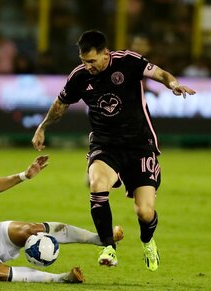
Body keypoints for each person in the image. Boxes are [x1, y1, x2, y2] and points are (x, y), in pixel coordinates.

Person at [32, 30, 196, 271]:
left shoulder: (128, 61)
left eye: (91, 61)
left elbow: (159, 73)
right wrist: (42, 127)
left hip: (140, 145)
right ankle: (107, 245)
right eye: (83, 61)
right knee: (97, 183)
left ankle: (148, 240)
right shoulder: (79, 77)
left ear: (105, 54)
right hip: (105, 144)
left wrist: (173, 84)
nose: (87, 66)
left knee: (144, 211)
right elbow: (60, 105)